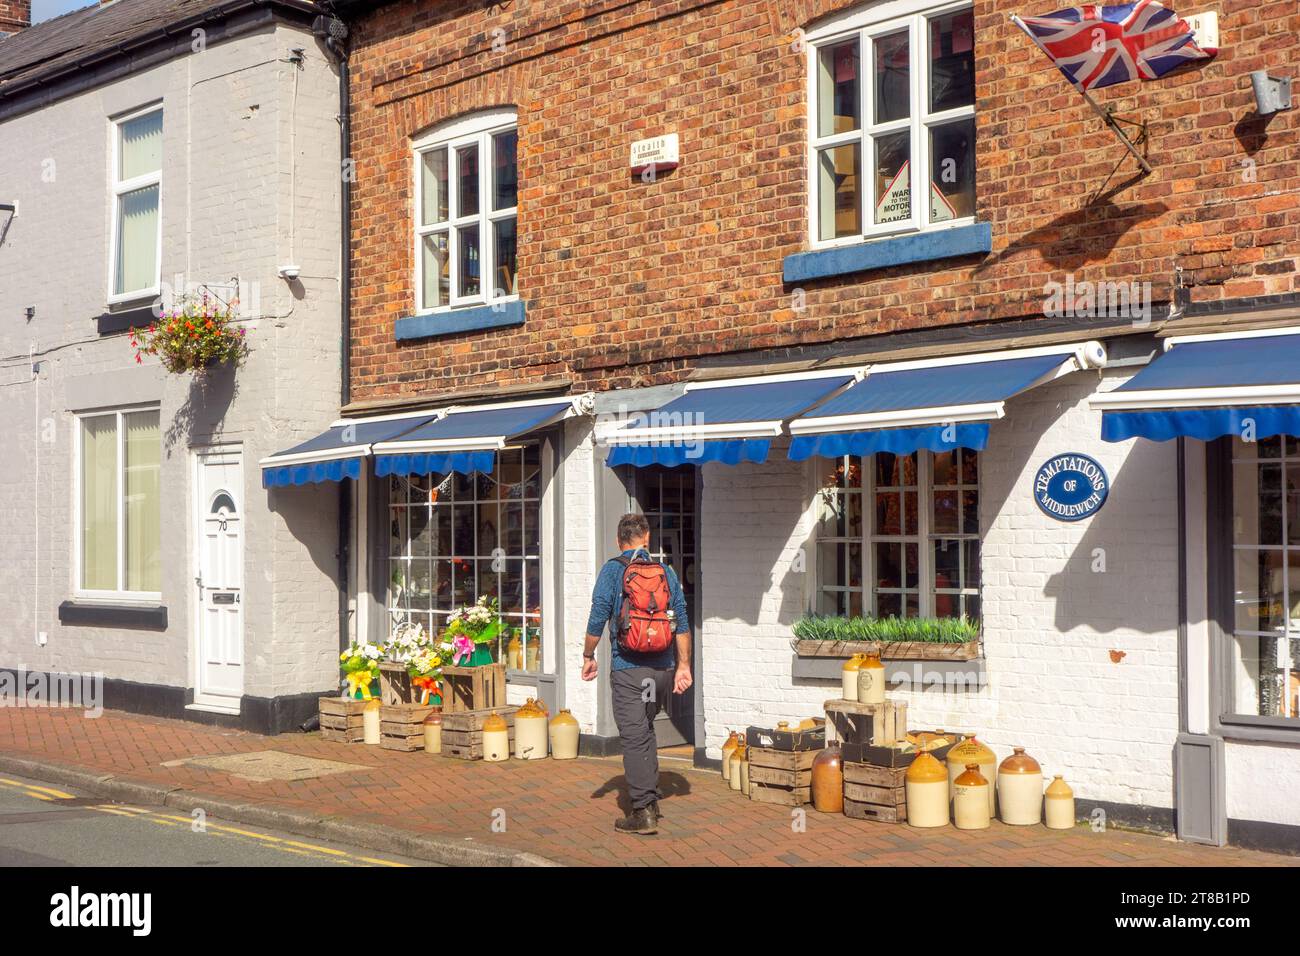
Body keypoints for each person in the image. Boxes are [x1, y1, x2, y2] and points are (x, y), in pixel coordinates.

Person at [581, 512, 692, 835]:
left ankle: (642, 810)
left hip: (629, 669)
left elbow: (597, 615)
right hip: (660, 671)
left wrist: (588, 655)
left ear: (619, 541)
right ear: (646, 539)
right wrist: (683, 666)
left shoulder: (613, 570)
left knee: (633, 736)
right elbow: (680, 621)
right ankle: (653, 799)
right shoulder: (666, 572)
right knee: (645, 730)